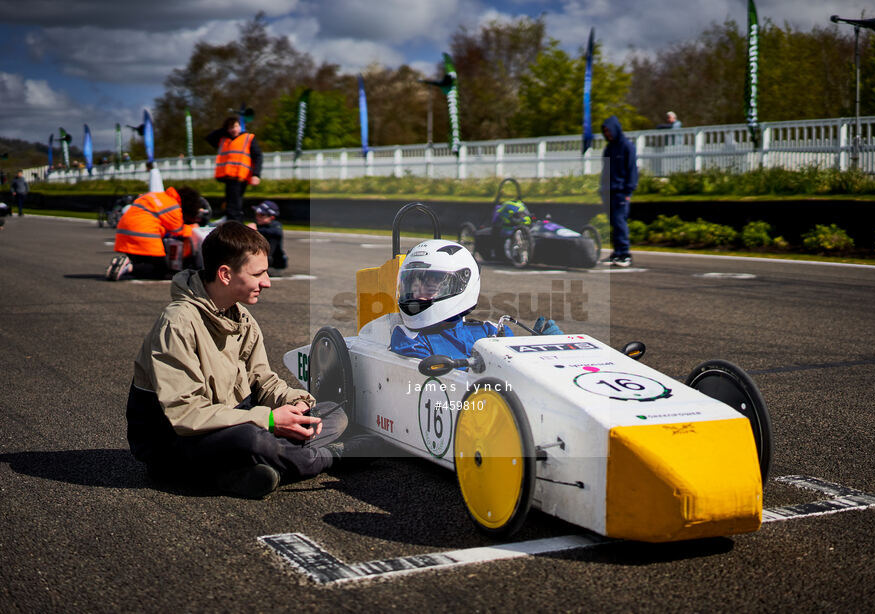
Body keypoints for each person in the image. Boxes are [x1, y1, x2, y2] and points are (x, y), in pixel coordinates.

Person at [126, 222, 377, 499]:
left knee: (332, 414)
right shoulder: (177, 323)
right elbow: (186, 415)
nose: (267, 282)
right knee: (252, 439)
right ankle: (329, 458)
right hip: (176, 440)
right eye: (258, 273)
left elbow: (263, 381)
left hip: (235, 421)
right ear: (225, 274)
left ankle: (249, 472)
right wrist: (268, 420)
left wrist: (297, 403)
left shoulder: (241, 318)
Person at [389, 239, 562, 360]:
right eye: (412, 288)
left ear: (461, 285)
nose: (416, 296)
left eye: (428, 289)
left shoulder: (489, 332)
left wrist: (542, 350)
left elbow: (517, 371)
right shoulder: (408, 338)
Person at [105, 186, 207, 281]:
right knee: (160, 270)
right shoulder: (173, 207)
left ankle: (125, 265)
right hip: (144, 235)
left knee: (144, 264)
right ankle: (130, 267)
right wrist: (193, 227)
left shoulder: (155, 196)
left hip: (124, 235)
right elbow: (178, 231)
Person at [207, 116, 262, 222]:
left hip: (240, 176)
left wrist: (256, 174)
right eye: (230, 127)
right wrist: (224, 129)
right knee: (233, 205)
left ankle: (234, 226)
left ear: (241, 126)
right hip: (228, 176)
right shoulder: (223, 139)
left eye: (235, 126)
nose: (233, 130)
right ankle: (235, 223)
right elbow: (210, 138)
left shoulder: (248, 138)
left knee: (233, 206)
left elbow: (258, 156)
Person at [600, 116, 638, 268]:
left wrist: (629, 190)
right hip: (608, 190)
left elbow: (632, 169)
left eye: (609, 130)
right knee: (614, 223)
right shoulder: (609, 148)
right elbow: (605, 171)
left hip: (621, 191)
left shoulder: (627, 146)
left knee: (619, 222)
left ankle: (624, 254)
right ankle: (616, 252)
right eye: (605, 131)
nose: (608, 134)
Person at [247, 200, 287, 270]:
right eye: (257, 214)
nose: (258, 217)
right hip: (259, 258)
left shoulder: (275, 226)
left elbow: (277, 232)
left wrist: (256, 231)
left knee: (272, 237)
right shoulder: (257, 225)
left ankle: (266, 262)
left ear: (271, 217)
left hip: (274, 262)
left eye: (261, 215)